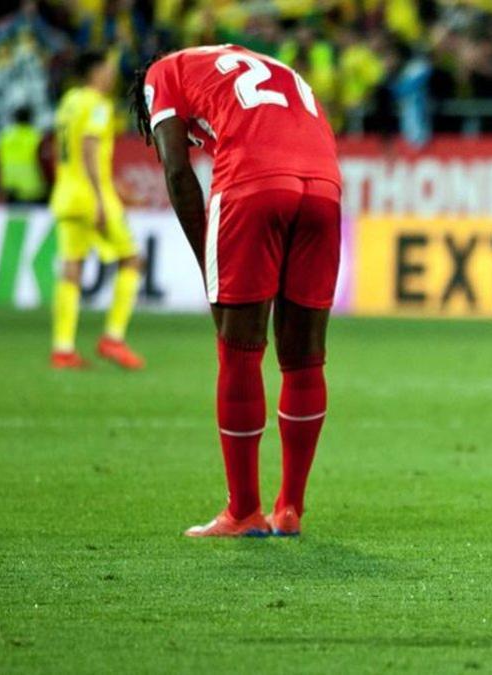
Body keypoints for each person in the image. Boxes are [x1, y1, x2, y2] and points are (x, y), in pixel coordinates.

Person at [130, 44, 342, 538]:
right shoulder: (274, 64)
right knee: (305, 357)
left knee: (239, 350)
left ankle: (243, 511)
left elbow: (178, 171)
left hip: (253, 181)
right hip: (325, 185)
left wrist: (209, 257)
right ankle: (289, 508)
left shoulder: (163, 72)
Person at [48, 50, 144, 370]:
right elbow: (89, 148)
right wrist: (102, 197)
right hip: (92, 198)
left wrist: (116, 187)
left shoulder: (69, 101)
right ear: (94, 72)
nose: (111, 75)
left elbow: (69, 151)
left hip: (67, 195)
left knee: (71, 269)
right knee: (132, 260)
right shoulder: (99, 105)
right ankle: (113, 338)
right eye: (107, 68)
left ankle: (63, 348)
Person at [0, 106, 47, 204]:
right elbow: (44, 163)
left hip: (10, 189)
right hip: (33, 189)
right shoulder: (36, 136)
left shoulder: (4, 137)